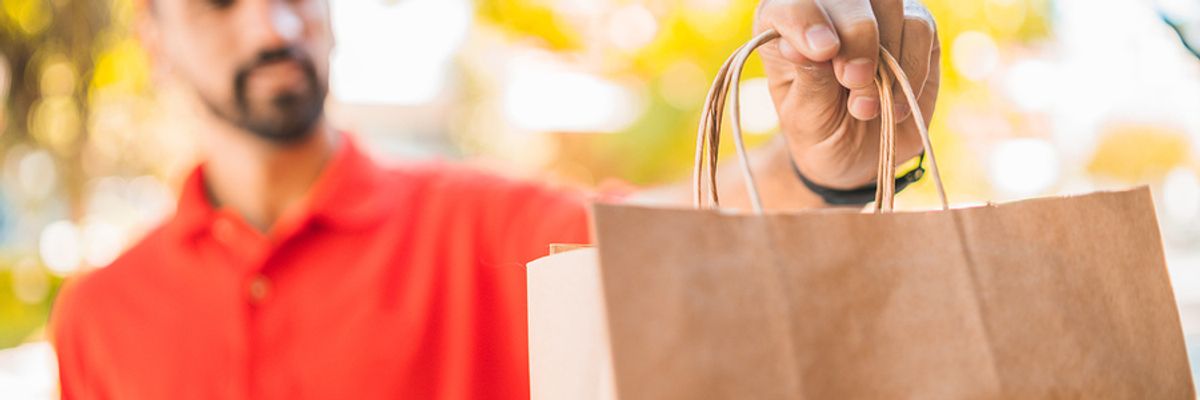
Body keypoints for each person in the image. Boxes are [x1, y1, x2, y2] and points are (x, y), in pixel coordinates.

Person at [49, 0, 940, 398]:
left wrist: (825, 167)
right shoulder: (99, 318)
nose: (274, 25)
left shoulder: (473, 227)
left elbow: (683, 229)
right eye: (217, 2)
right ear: (154, 42)